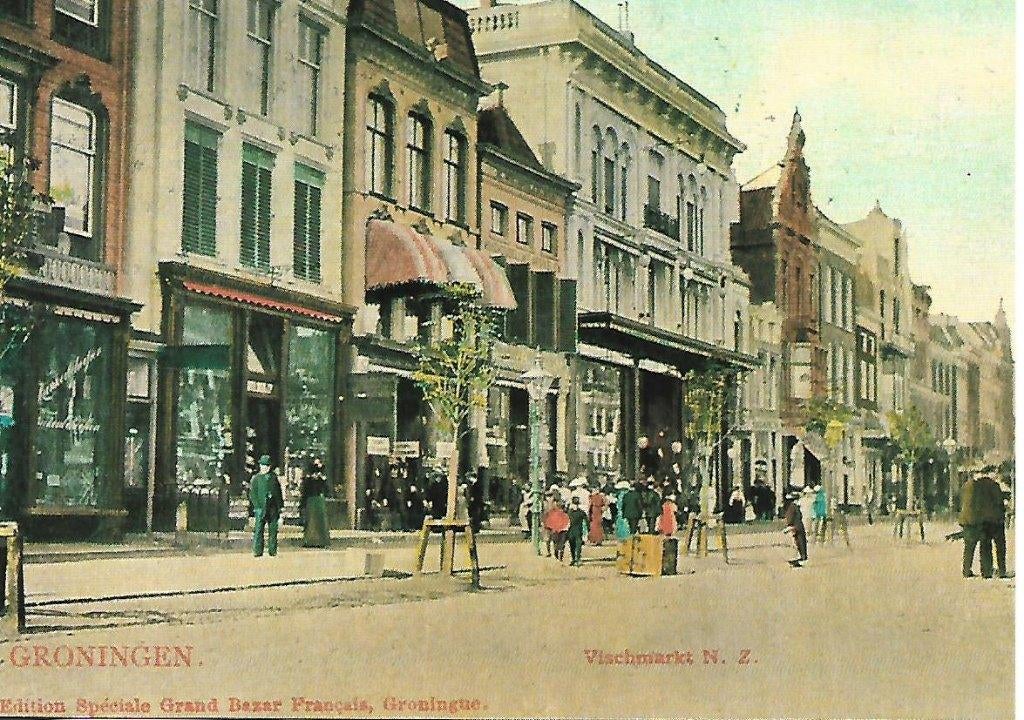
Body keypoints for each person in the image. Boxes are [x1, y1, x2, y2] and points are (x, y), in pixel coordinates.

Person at [959, 471, 1011, 579]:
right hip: (995, 519)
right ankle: (1000, 570)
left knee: (978, 545)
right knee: (998, 545)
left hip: (976, 520)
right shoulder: (993, 485)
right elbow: (999, 501)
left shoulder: (971, 486)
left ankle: (979, 571)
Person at [250, 455, 283, 557]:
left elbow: (278, 493)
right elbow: (253, 494)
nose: (264, 468)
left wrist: (280, 507)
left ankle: (272, 550)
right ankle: (257, 550)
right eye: (262, 465)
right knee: (259, 530)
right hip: (260, 508)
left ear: (269, 467)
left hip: (272, 508)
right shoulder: (256, 479)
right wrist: (256, 507)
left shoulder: (273, 478)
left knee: (273, 530)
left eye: (266, 466)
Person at [299, 457, 330, 548]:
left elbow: (305, 492)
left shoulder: (310, 480)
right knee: (316, 522)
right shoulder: (318, 480)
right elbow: (326, 490)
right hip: (315, 501)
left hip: (313, 501)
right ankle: (317, 541)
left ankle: (312, 541)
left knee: (312, 522)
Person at [783, 490, 808, 566]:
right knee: (800, 541)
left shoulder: (792, 507)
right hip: (798, 525)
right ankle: (801, 557)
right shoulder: (795, 506)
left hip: (795, 526)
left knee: (799, 542)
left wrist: (789, 526)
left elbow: (790, 518)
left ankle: (801, 558)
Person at [566, 496, 589, 566]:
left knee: (573, 545)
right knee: (576, 545)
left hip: (572, 531)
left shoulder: (569, 512)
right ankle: (576, 559)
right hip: (577, 530)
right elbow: (587, 522)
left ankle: (575, 559)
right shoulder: (581, 512)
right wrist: (588, 529)